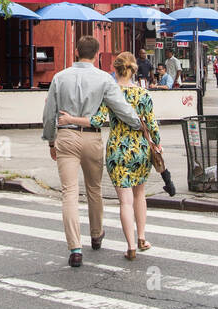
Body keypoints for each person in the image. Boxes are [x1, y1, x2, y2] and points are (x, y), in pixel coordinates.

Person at [41, 35, 141, 268]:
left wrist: (50, 140)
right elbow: (122, 108)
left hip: (66, 135)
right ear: (96, 55)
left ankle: (75, 248)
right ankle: (96, 234)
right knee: (94, 189)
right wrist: (138, 123)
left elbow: (49, 113)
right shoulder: (104, 79)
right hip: (92, 137)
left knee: (69, 193)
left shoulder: (59, 77)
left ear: (76, 51)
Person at [58, 51, 162, 261]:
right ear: (134, 70)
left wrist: (71, 119)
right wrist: (157, 145)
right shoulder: (144, 95)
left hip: (118, 151)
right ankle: (142, 238)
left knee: (125, 201)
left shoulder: (109, 93)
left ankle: (131, 246)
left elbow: (96, 121)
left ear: (115, 70)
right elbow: (152, 125)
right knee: (139, 195)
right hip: (140, 150)